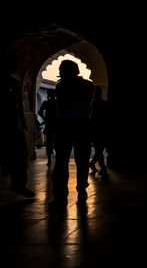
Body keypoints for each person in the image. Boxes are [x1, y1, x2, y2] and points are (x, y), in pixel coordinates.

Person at [50, 60, 95, 208]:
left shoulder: (62, 86)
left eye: (62, 70)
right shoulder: (88, 85)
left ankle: (60, 196)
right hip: (82, 126)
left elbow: (60, 109)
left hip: (66, 126)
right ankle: (81, 189)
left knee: (62, 162)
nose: (61, 73)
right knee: (81, 161)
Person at [0, 52, 35, 198]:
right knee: (16, 156)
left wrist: (22, 121)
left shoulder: (15, 82)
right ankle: (18, 185)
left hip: (13, 125)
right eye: (13, 64)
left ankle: (18, 185)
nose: (16, 67)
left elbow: (19, 104)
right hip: (6, 124)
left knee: (20, 157)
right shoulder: (12, 83)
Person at [89, 86, 109, 175]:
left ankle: (95, 164)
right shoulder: (104, 103)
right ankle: (101, 166)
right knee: (100, 149)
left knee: (99, 149)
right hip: (103, 128)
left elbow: (90, 117)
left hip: (96, 128)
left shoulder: (92, 104)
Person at [38, 88, 57, 166]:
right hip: (56, 125)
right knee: (56, 142)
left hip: (49, 124)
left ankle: (49, 160)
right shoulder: (57, 103)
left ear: (48, 94)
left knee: (48, 143)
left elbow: (40, 112)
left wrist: (45, 119)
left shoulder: (46, 103)